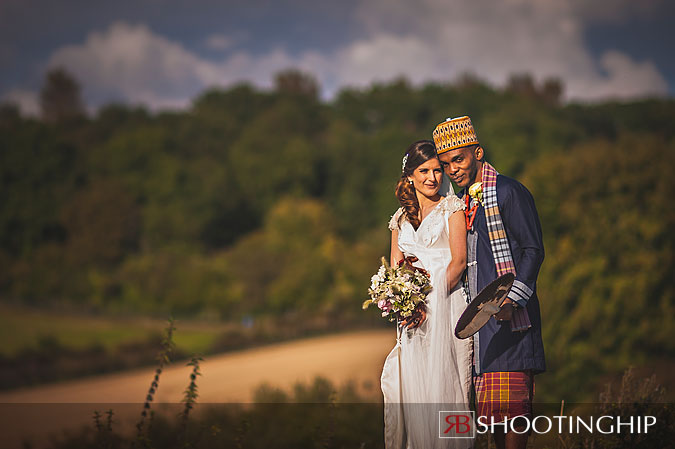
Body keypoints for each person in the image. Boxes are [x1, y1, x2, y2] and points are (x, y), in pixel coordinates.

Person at [433, 116, 546, 449]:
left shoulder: (509, 192)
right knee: (494, 429)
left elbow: (533, 249)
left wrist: (512, 300)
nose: (452, 169)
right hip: (481, 335)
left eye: (459, 159)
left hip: (512, 328)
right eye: (445, 164)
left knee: (513, 423)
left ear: (478, 153)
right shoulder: (463, 204)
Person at [380, 140, 473, 449]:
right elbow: (395, 267)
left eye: (437, 170)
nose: (433, 178)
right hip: (413, 319)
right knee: (416, 391)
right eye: (424, 171)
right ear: (410, 175)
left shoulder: (452, 208)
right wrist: (403, 301)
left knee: (451, 387)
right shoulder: (400, 218)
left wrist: (427, 299)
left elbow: (458, 262)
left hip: (446, 309)